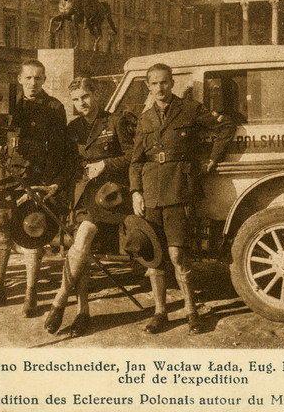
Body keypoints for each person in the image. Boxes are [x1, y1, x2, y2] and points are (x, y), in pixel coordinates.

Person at [129, 63, 236, 334]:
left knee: (177, 255)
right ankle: (160, 312)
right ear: (148, 86)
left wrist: (213, 158)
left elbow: (225, 127)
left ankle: (191, 311)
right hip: (151, 193)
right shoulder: (144, 119)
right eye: (154, 83)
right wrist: (135, 192)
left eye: (164, 82)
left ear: (172, 83)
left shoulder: (189, 109)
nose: (160, 88)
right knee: (155, 257)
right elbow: (135, 161)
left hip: (179, 190)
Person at [0, 59, 68, 316]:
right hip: (6, 173)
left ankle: (31, 293)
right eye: (29, 78)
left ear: (44, 80)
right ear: (20, 78)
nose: (33, 83)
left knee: (33, 232)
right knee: (0, 229)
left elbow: (58, 149)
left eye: (39, 78)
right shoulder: (8, 103)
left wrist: (49, 183)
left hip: (36, 177)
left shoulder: (54, 107)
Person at [44, 77, 135, 336]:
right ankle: (83, 312)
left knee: (81, 240)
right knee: (79, 250)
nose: (81, 103)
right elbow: (68, 164)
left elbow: (132, 156)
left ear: (95, 95)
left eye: (84, 97)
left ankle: (59, 301)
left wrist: (106, 164)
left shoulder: (114, 121)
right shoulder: (73, 128)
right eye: (75, 100)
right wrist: (56, 186)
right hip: (83, 194)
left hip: (110, 195)